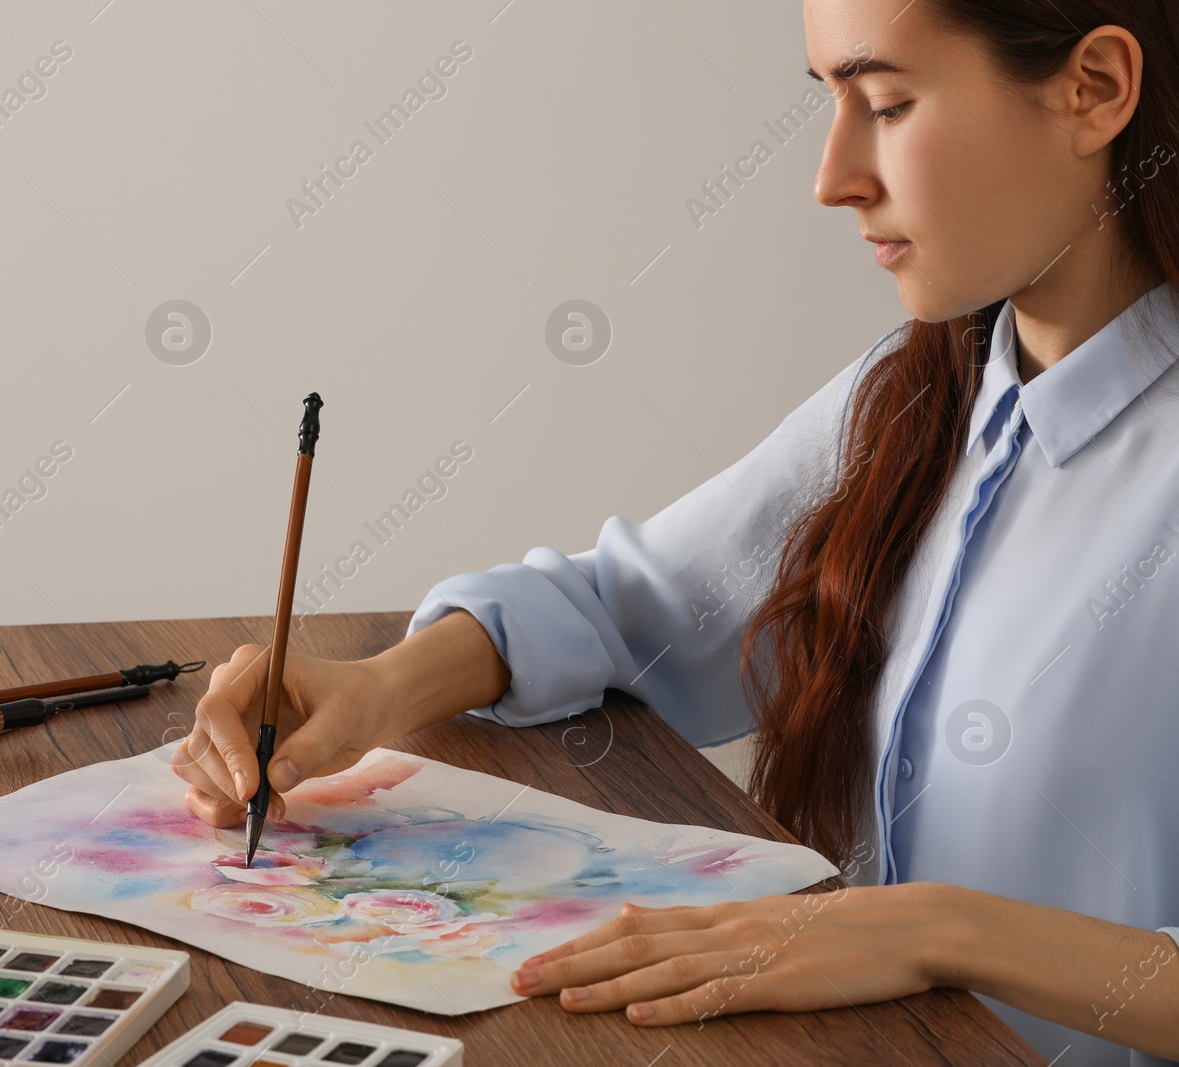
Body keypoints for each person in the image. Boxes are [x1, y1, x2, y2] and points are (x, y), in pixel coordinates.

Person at [173, 0, 1179, 1062]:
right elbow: (629, 602)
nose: (833, 175)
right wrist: (385, 685)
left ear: (1096, 90)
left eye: (885, 103)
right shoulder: (926, 396)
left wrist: (941, 929)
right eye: (829, 101)